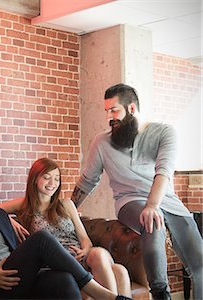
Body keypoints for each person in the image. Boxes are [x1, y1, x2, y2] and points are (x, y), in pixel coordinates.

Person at [70, 83, 203, 300]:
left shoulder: (164, 132)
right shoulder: (101, 143)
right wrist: (65, 209)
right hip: (129, 201)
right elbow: (87, 181)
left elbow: (164, 171)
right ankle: (160, 292)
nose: (109, 118)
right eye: (107, 112)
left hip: (165, 200)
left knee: (199, 263)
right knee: (151, 221)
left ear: (131, 109)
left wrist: (152, 205)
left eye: (114, 110)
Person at [0, 159, 133, 300]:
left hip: (20, 276)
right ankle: (103, 295)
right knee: (42, 238)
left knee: (64, 279)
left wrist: (8, 219)